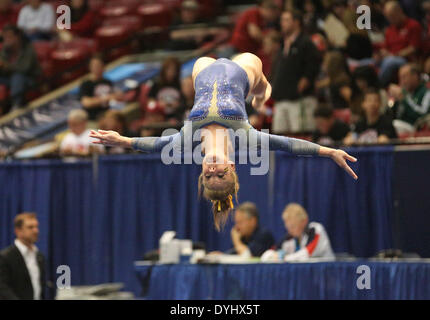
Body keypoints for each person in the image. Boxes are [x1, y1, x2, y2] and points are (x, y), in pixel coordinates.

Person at [90, 53, 358, 231]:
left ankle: (259, 97)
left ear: (202, 174)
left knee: (200, 66)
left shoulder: (188, 138)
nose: (214, 169)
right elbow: (288, 144)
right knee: (260, 82)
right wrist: (329, 151)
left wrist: (122, 139)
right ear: (231, 166)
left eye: (209, 176)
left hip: (203, 72)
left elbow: (154, 145)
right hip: (241, 72)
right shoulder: (245, 136)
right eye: (222, 174)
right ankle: (262, 95)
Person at [270, 9, 321, 134]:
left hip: (300, 99)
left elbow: (314, 63)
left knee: (300, 137)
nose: (282, 23)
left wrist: (306, 79)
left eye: (286, 20)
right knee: (279, 138)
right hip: (281, 97)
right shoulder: (283, 44)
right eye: (282, 20)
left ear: (296, 22)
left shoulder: (306, 42)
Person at [261, 203, 335, 262]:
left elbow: (306, 254)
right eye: (288, 228)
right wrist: (272, 256)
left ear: (304, 221)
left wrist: (283, 258)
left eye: (293, 227)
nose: (290, 231)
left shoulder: (316, 230)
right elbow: (269, 254)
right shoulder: (289, 238)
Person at [0, 212, 46, 300]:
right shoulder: (5, 257)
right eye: (30, 227)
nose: (36, 231)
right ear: (18, 231)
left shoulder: (39, 256)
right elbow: (2, 288)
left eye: (36, 227)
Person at [376, 1, 422, 86]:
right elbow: (385, 47)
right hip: (391, 58)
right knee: (370, 62)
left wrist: (395, 55)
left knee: (390, 62)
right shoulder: (390, 30)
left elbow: (414, 48)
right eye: (388, 18)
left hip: (406, 59)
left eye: (392, 17)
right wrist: (382, 53)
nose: (390, 20)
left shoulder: (413, 25)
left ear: (399, 11)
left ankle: (378, 85)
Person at [0, 25, 40, 112]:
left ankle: (16, 106)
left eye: (9, 37)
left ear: (17, 37)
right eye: (4, 37)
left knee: (18, 76)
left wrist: (5, 65)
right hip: (10, 79)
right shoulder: (5, 50)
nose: (6, 40)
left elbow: (24, 69)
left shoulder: (28, 49)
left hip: (30, 79)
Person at [79, 55, 124, 121]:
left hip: (107, 116)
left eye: (99, 65)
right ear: (90, 67)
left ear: (104, 67)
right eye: (94, 66)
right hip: (93, 118)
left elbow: (116, 98)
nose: (97, 68)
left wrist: (118, 97)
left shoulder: (108, 82)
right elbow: (86, 103)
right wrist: (107, 98)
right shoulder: (86, 84)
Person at [389, 63, 430, 128]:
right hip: (400, 126)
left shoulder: (426, 93)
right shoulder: (403, 92)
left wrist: (404, 99)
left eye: (404, 77)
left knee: (394, 125)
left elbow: (422, 115)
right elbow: (393, 115)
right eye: (400, 78)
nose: (401, 81)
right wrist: (393, 101)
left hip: (415, 127)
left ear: (415, 76)